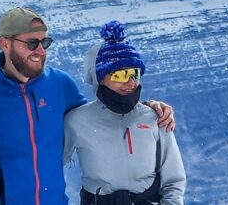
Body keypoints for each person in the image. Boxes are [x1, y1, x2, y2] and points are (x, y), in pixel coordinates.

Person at [0, 8, 176, 205]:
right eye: (32, 43)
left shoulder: (61, 85)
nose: (41, 51)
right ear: (5, 43)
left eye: (45, 42)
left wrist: (147, 107)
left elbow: (101, 117)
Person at [64, 20, 186, 204]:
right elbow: (48, 165)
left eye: (134, 73)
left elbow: (173, 181)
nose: (130, 83)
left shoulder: (155, 118)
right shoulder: (77, 121)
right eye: (120, 75)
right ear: (100, 78)